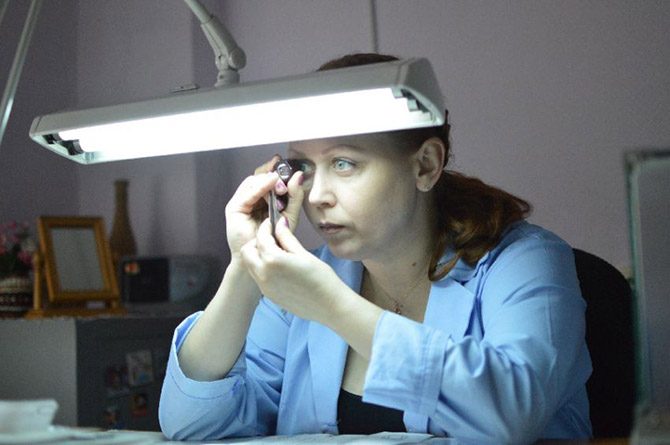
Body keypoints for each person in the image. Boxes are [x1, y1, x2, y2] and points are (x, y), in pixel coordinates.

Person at [159, 53, 592, 444]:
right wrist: (246, 264)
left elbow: (513, 415)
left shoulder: (527, 260)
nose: (316, 196)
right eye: (305, 166)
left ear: (426, 165)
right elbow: (192, 424)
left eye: (344, 163)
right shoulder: (304, 281)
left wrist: (332, 306)